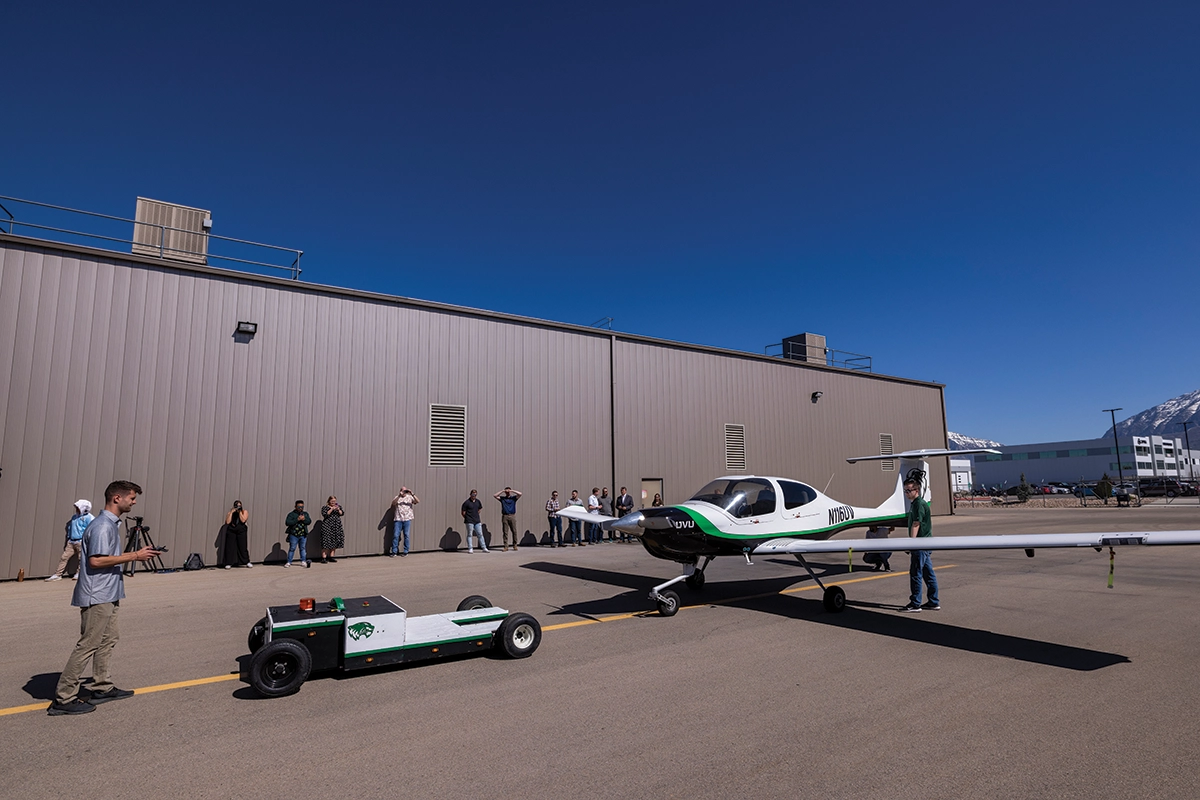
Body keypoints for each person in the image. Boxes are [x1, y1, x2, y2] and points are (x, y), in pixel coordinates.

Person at [49, 480, 160, 716]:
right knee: (88, 644)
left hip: (109, 593)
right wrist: (135, 555)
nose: (134, 502)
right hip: (97, 595)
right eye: (132, 498)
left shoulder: (110, 524)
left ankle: (102, 686)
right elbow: (96, 561)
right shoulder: (102, 526)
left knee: (109, 639)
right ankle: (64, 697)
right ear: (117, 498)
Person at [900, 480, 939, 612]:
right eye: (905, 490)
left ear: (916, 490)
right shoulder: (916, 504)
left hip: (921, 545)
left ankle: (915, 603)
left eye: (909, 490)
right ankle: (933, 601)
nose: (906, 493)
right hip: (924, 543)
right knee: (928, 574)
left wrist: (912, 543)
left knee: (916, 573)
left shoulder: (918, 504)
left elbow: (916, 524)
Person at [47, 500, 93, 581]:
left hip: (81, 541)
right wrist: (69, 537)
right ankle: (58, 574)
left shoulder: (89, 518)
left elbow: (92, 529)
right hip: (71, 541)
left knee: (81, 559)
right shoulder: (74, 517)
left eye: (78, 507)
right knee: (64, 557)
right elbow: (70, 528)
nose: (76, 509)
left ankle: (79, 573)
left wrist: (87, 540)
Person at [391, 487, 420, 557]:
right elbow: (393, 503)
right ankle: (394, 551)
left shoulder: (409, 497)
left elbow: (417, 501)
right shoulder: (397, 497)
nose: (404, 492)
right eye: (403, 490)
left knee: (406, 535)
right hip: (398, 519)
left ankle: (406, 551)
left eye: (405, 491)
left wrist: (412, 493)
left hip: (407, 519)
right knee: (395, 535)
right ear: (400, 491)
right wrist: (399, 495)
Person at [223, 500, 251, 569]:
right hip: (232, 530)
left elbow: (243, 520)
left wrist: (240, 512)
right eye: (236, 506)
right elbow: (227, 522)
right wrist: (232, 512)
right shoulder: (230, 512)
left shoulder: (244, 512)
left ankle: (246, 562)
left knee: (242, 546)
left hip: (241, 530)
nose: (238, 507)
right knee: (229, 546)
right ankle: (228, 562)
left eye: (239, 505)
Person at [285, 501, 312, 568]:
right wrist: (297, 519)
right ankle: (289, 562)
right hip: (294, 534)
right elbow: (287, 522)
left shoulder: (305, 514)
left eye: (302, 507)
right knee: (292, 548)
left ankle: (303, 561)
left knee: (302, 548)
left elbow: (309, 521)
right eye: (299, 507)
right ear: (295, 507)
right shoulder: (292, 514)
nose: (300, 508)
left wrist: (304, 519)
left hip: (303, 534)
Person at [494, 487, 522, 551]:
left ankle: (515, 545)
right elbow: (495, 495)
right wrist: (502, 491)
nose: (507, 493)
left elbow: (520, 494)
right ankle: (506, 546)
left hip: (512, 515)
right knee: (505, 532)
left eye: (508, 492)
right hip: (505, 516)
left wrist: (512, 491)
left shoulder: (513, 498)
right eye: (506, 492)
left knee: (514, 531)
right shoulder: (503, 499)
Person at [320, 496, 345, 563]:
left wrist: (338, 509)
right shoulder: (325, 507)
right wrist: (331, 509)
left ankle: (332, 557)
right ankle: (324, 557)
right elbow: (325, 514)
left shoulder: (338, 507)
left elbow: (342, 513)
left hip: (336, 526)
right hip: (327, 526)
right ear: (329, 501)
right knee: (326, 541)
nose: (333, 503)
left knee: (334, 541)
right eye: (332, 501)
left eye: (334, 501)